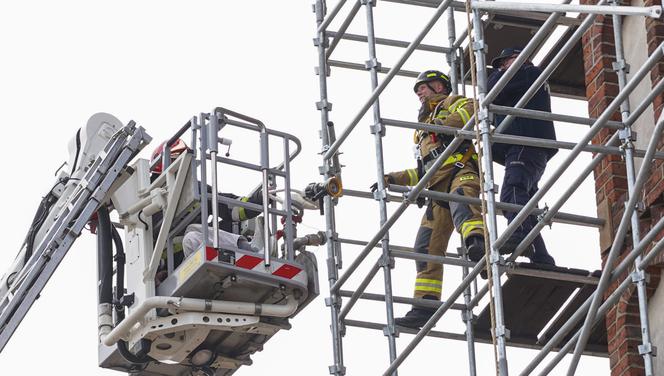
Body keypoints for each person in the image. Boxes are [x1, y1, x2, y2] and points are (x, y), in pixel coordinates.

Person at [377, 70, 486, 329]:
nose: (419, 94)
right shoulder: (422, 133)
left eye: (422, 88)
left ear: (438, 85)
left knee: (466, 212)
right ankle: (424, 307)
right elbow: (423, 171)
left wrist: (442, 126)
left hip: (461, 174)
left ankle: (480, 250)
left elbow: (471, 112)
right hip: (437, 190)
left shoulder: (453, 103)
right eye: (417, 91)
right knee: (425, 249)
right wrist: (392, 178)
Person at [487, 47, 557, 265]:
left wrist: (497, 74)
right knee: (525, 201)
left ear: (522, 59)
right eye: (501, 65)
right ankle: (540, 254)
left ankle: (520, 234)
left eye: (507, 62)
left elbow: (491, 91)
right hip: (523, 145)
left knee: (512, 191)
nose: (503, 67)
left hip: (525, 142)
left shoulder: (529, 73)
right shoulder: (523, 79)